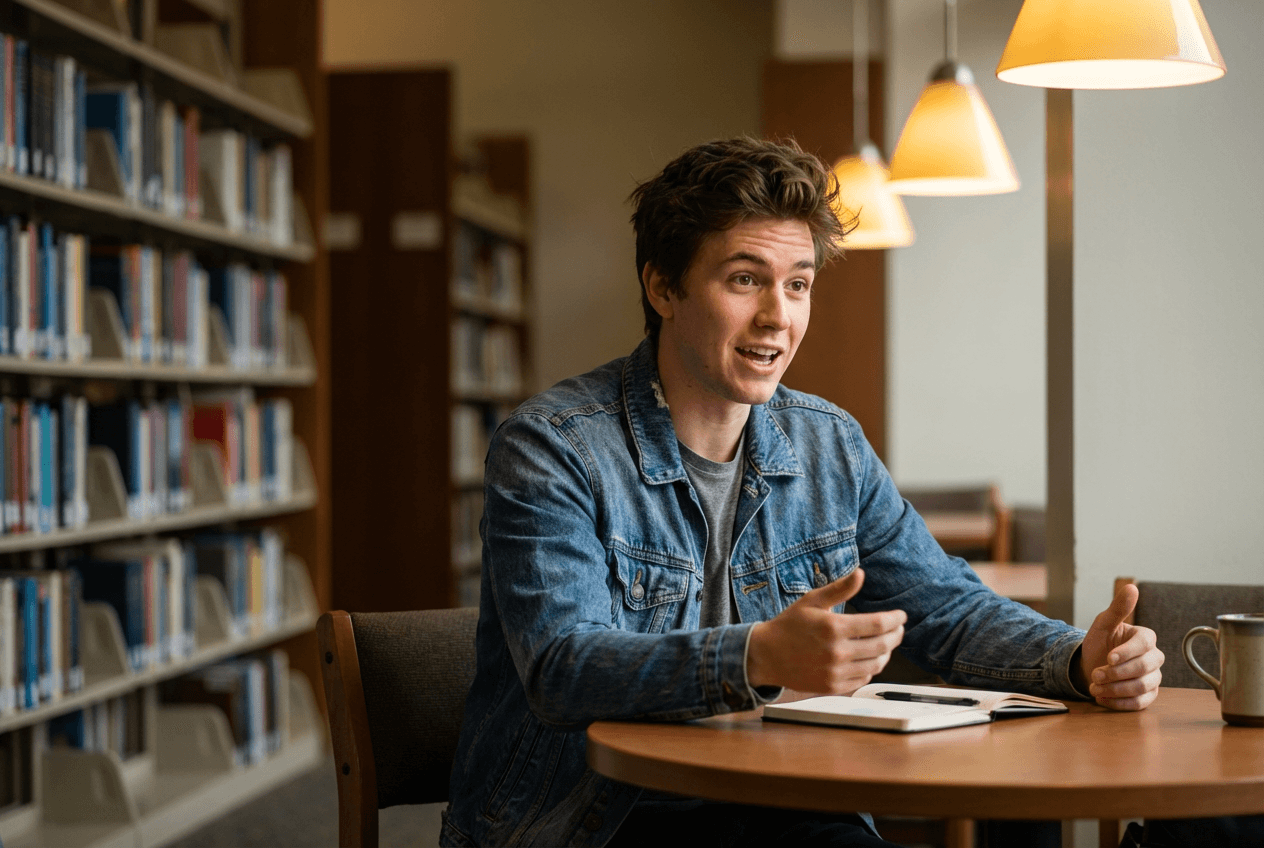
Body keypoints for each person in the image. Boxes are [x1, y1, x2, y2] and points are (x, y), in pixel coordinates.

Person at [440, 137, 1164, 848]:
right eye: (745, 279)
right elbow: (565, 669)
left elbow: (945, 605)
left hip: (781, 796)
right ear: (663, 287)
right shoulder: (553, 446)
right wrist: (757, 657)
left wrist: (1076, 659)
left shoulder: (829, 443)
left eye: (798, 284)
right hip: (600, 819)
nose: (778, 318)